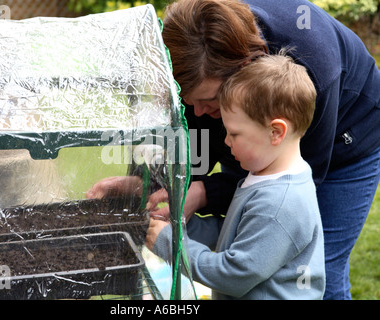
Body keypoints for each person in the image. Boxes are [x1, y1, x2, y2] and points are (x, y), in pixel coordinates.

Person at [149, 0, 379, 300]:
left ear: (244, 70)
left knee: (324, 273)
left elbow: (243, 261)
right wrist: (159, 184)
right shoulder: (199, 58)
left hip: (350, 137)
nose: (197, 111)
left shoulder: (312, 65)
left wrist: (186, 223)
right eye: (187, 100)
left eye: (210, 100)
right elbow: (196, 139)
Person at [146, 52, 325, 299]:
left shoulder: (279, 203)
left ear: (276, 132)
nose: (226, 141)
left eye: (235, 134)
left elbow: (234, 275)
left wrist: (171, 244)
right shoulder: (265, 176)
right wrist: (183, 227)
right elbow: (237, 237)